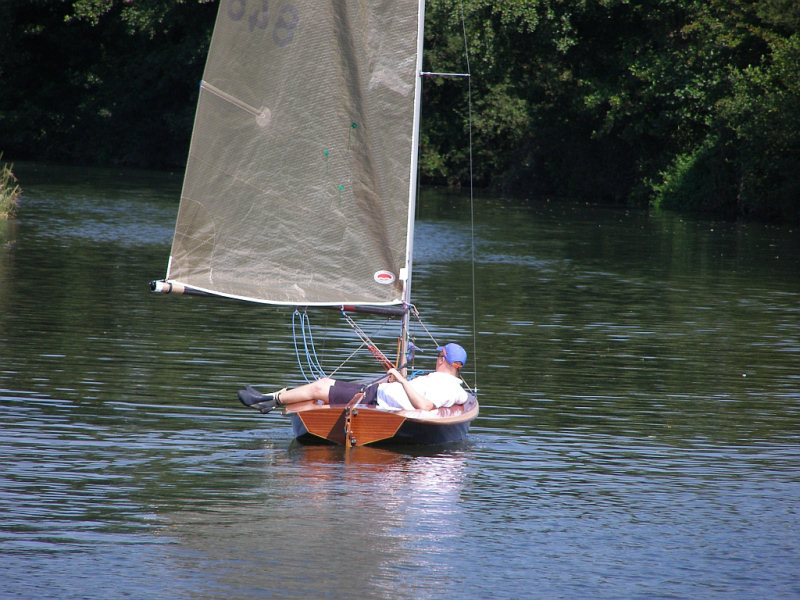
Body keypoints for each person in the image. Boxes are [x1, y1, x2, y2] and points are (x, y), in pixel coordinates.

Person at [238, 343, 469, 413]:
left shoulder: (446, 386)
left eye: (439, 354)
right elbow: (462, 398)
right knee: (323, 391)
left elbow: (426, 405)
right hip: (377, 395)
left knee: (321, 386)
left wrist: (401, 380)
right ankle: (269, 401)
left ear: (442, 358)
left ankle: (266, 399)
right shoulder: (454, 387)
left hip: (377, 400)